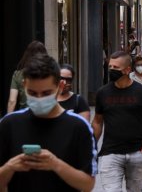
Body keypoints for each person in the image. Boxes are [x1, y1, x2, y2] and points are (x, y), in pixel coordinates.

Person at [0, 53, 97, 191]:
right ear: (24, 85)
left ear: (59, 86)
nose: (39, 98)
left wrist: (55, 164)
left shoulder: (78, 127)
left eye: (46, 93)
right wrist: (10, 167)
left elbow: (88, 184)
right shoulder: (9, 124)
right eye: (32, 93)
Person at [92, 51, 142, 192]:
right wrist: (92, 146)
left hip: (136, 152)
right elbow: (97, 121)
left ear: (127, 70)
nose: (111, 71)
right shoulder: (102, 93)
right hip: (110, 153)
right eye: (110, 67)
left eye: (116, 68)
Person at [7, 41, 48, 113]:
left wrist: (8, 120)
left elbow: (12, 101)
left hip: (25, 115)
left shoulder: (18, 74)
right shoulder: (50, 73)